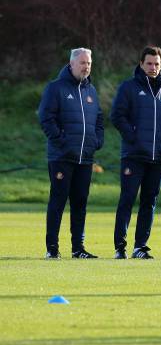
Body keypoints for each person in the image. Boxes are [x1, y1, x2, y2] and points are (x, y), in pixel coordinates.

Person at [111, 46, 161, 259]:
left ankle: (140, 247)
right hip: (134, 156)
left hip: (158, 157)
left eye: (156, 64)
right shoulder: (128, 88)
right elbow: (117, 116)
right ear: (141, 64)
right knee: (127, 199)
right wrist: (132, 136)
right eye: (149, 63)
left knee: (149, 202)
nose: (153, 67)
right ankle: (120, 248)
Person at [38, 47, 104, 259]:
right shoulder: (55, 88)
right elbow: (46, 118)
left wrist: (97, 141)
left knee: (80, 202)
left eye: (89, 63)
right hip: (61, 157)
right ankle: (52, 249)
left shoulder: (91, 91)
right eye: (83, 63)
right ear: (72, 64)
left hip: (85, 157)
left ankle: (78, 248)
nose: (86, 67)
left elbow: (100, 120)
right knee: (58, 201)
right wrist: (62, 142)